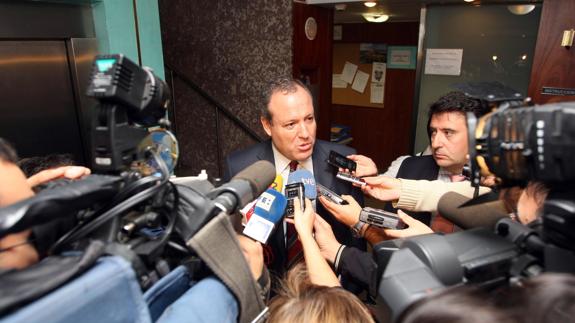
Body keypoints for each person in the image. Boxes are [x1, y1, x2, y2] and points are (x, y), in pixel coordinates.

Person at [224, 77, 364, 279]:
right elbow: (234, 242)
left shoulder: (345, 160)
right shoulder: (240, 167)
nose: (306, 133)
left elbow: (356, 235)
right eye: (291, 124)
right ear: (267, 125)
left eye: (309, 119)